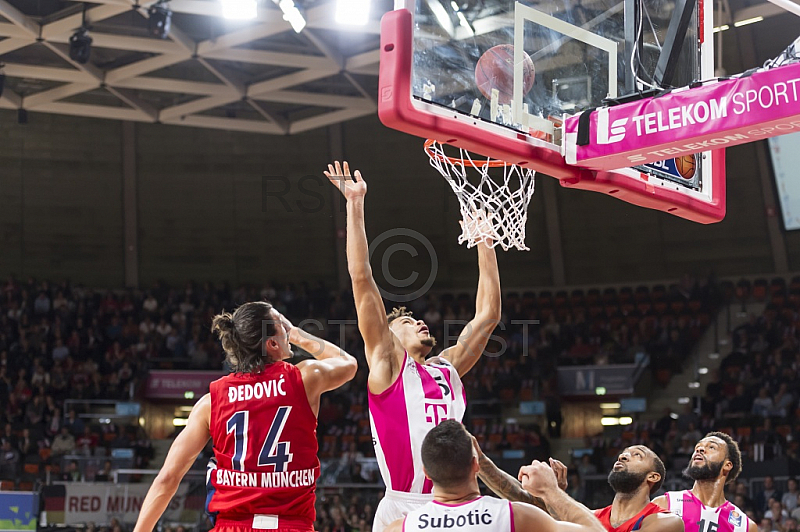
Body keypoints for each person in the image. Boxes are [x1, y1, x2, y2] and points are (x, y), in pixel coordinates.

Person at [326, 161, 501, 531]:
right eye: (407, 322)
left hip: (457, 503)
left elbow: (487, 317)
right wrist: (354, 204)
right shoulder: (388, 365)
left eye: (416, 318)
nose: (419, 321)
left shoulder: (446, 369)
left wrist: (484, 242)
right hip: (404, 507)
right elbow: (361, 278)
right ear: (390, 336)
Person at [133, 302, 358, 532]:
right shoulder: (306, 378)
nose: (287, 329)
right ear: (271, 343)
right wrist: (299, 335)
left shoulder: (211, 402)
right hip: (291, 525)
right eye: (282, 324)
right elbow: (349, 363)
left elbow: (167, 478)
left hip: (232, 527)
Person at [385, 421, 605, 532]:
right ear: (475, 465)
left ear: (426, 472)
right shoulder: (514, 516)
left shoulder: (401, 527)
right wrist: (551, 491)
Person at [474, 440, 683, 532]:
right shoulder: (591, 516)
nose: (623, 455)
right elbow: (530, 504)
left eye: (637, 455)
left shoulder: (668, 522)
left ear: (653, 476)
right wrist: (480, 461)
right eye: (624, 453)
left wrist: (553, 492)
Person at [653, 432, 756, 532]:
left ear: (727, 465)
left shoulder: (744, 526)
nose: (700, 449)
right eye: (697, 446)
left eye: (711, 447)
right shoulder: (664, 504)